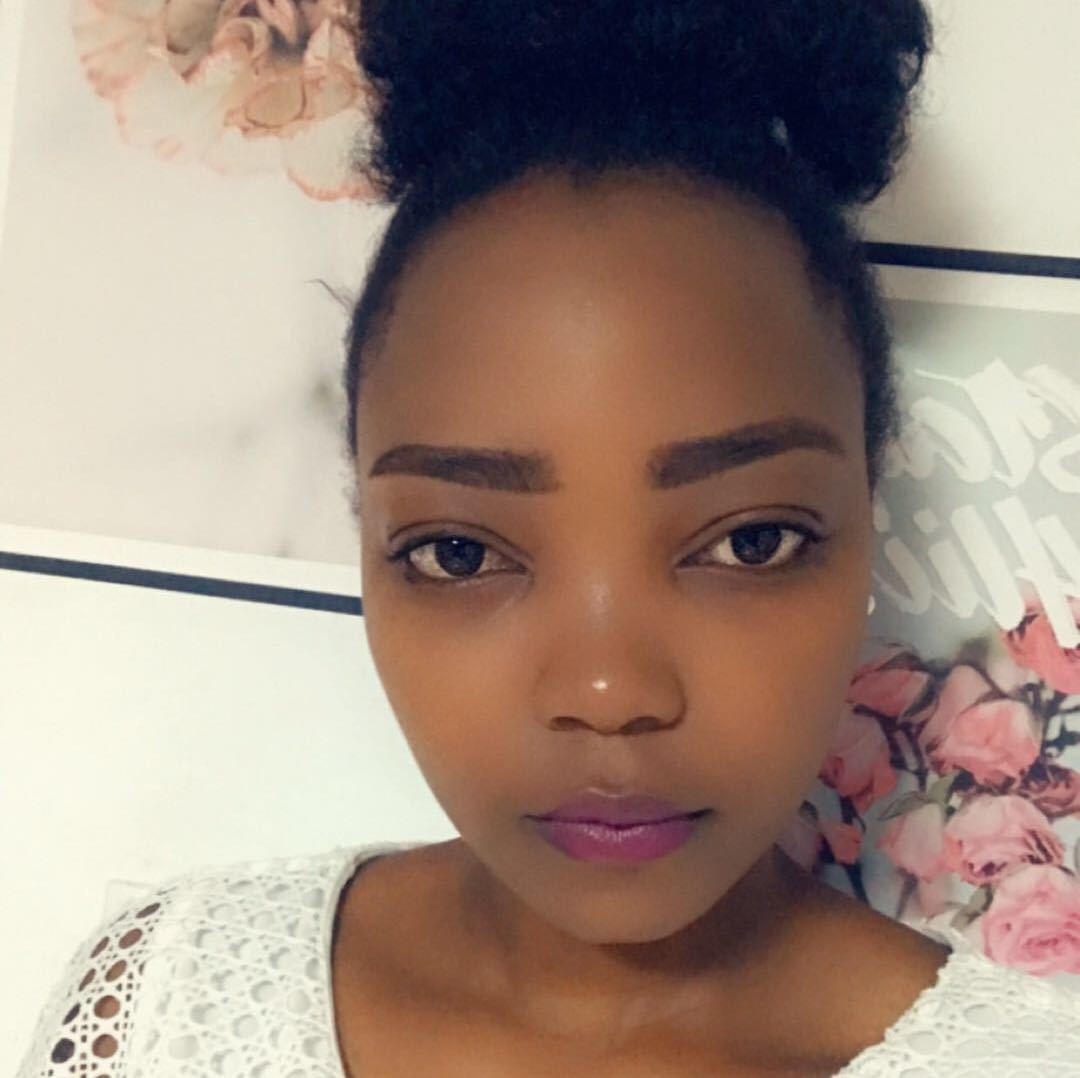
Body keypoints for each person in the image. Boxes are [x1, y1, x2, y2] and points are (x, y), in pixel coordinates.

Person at [18, 1, 1080, 1075]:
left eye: (751, 542)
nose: (608, 692)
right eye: (461, 554)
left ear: (864, 519)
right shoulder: (160, 1006)